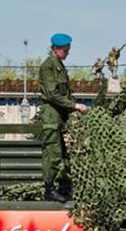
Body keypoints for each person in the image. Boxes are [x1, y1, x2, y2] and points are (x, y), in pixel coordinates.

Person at [38, 33, 89, 202]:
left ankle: (64, 188)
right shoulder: (48, 67)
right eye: (65, 51)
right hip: (52, 116)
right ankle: (49, 189)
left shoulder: (58, 65)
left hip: (61, 115)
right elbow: (53, 95)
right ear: (55, 49)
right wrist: (74, 106)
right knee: (53, 153)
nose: (67, 53)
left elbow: (65, 93)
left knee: (66, 153)